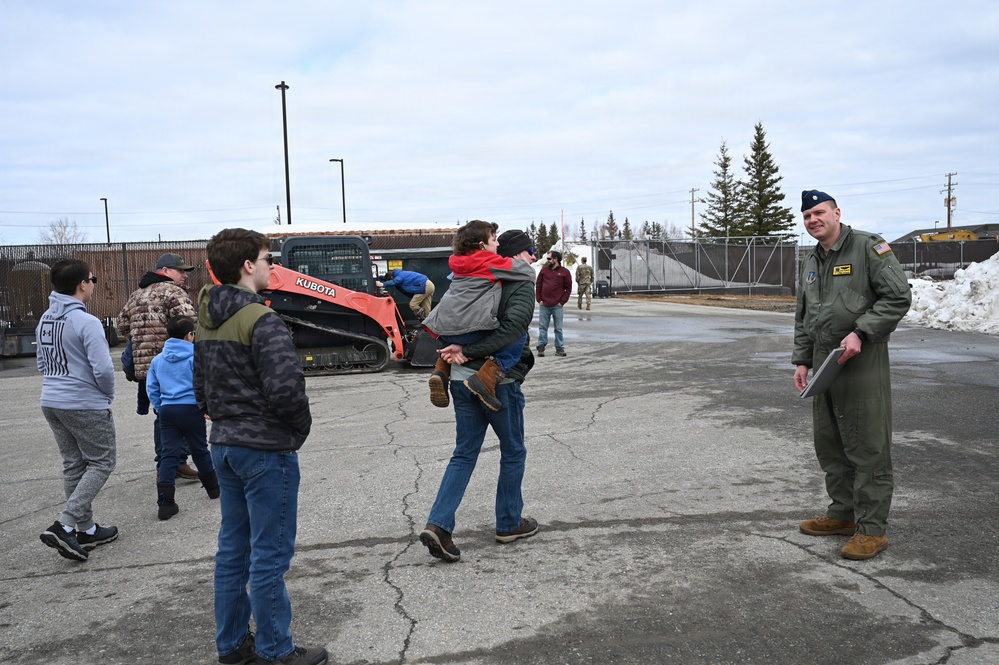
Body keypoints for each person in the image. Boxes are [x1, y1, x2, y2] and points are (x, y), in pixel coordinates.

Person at [194, 228, 326, 665]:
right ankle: (276, 650)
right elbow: (287, 390)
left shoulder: (205, 319)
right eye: (268, 258)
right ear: (249, 265)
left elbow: (200, 389)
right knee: (269, 555)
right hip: (265, 451)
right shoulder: (261, 319)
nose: (273, 266)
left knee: (233, 550)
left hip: (225, 446)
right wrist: (298, 431)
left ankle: (231, 646)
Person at [793, 190, 911, 561]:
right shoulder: (810, 259)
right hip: (824, 362)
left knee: (867, 445)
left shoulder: (867, 247)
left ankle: (872, 529)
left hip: (861, 361)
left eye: (819, 212)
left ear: (836, 213)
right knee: (831, 444)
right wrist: (801, 360)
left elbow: (897, 297)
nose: (813, 220)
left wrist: (861, 331)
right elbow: (803, 314)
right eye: (808, 215)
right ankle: (843, 515)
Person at [419, 229, 539, 563]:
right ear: (517, 254)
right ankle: (509, 522)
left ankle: (439, 525)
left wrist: (456, 352)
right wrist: (471, 350)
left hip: (458, 377)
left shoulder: (470, 274)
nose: (533, 257)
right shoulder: (517, 281)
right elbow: (513, 328)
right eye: (530, 251)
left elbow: (453, 315)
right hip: (496, 381)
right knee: (513, 451)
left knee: (464, 453)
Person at [36, 259, 119, 562]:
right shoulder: (87, 322)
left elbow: (42, 362)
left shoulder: (46, 318)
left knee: (73, 465)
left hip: (52, 400)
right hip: (83, 401)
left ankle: (86, 529)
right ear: (83, 284)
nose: (93, 284)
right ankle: (65, 523)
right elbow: (103, 369)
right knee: (102, 462)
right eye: (92, 279)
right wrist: (106, 395)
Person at [422, 220, 536, 411]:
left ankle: (441, 369)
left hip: (442, 328)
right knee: (517, 333)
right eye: (494, 240)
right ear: (482, 245)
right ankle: (488, 377)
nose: (497, 245)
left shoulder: (456, 262)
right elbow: (527, 273)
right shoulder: (490, 262)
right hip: (470, 333)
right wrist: (466, 351)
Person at [117, 253, 199, 480]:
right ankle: (175, 462)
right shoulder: (173, 292)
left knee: (163, 413)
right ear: (165, 271)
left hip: (147, 367)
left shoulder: (137, 294)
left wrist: (142, 338)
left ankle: (166, 462)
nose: (184, 275)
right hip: (174, 365)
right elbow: (189, 323)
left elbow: (121, 323)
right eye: (180, 270)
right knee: (182, 409)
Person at [146, 315, 218, 521]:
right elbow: (205, 383)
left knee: (168, 455)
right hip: (191, 409)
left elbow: (152, 387)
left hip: (168, 411)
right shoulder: (195, 357)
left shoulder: (158, 360)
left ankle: (165, 503)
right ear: (189, 335)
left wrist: (161, 407)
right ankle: (214, 489)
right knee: (199, 450)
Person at [535, 250, 572, 357]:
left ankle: (559, 348)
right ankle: (541, 347)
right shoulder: (544, 271)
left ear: (555, 259)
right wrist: (539, 299)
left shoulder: (565, 272)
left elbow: (568, 288)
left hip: (557, 305)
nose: (547, 261)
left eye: (549, 258)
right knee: (543, 327)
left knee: (558, 328)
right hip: (544, 304)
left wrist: (562, 302)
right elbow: (538, 285)